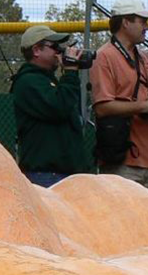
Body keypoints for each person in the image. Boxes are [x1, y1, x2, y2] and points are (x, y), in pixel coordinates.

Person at [88, 0, 148, 195]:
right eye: (142, 21)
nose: (146, 26)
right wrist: (144, 107)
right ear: (125, 22)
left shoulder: (143, 57)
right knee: (128, 222)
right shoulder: (104, 56)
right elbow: (102, 107)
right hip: (125, 161)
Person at [9, 25, 94, 187]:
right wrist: (70, 72)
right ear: (36, 50)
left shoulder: (48, 81)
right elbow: (59, 108)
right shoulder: (28, 81)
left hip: (64, 173)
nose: (59, 52)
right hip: (46, 174)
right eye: (55, 47)